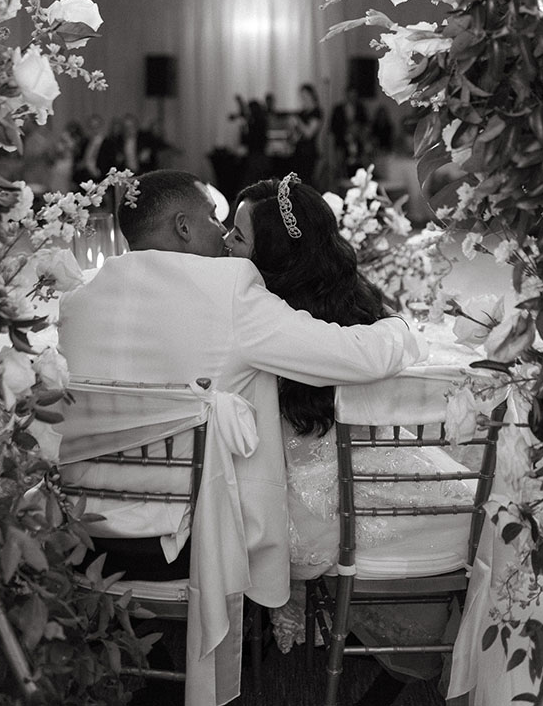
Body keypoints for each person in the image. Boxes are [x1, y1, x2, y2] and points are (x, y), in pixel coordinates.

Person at [57, 169, 422, 594]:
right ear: (183, 226)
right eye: (214, 218)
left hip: (81, 535)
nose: (223, 234)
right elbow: (357, 355)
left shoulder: (77, 304)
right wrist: (401, 330)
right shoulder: (227, 289)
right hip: (191, 545)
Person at [224, 173, 474, 684]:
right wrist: (401, 328)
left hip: (310, 481)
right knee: (462, 507)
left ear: (273, 257)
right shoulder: (338, 305)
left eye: (238, 235)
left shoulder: (270, 313)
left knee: (440, 505)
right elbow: (375, 351)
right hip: (307, 484)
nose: (226, 242)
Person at [329, 86, 369, 179]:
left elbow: (365, 124)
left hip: (357, 141)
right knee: (340, 166)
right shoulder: (338, 109)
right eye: (351, 94)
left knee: (359, 164)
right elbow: (333, 126)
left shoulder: (360, 108)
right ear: (346, 94)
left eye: (354, 95)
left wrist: (358, 132)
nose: (352, 97)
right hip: (341, 142)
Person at [288, 83, 322, 186]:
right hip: (298, 151)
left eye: (305, 96)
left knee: (307, 181)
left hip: (309, 152)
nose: (303, 99)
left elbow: (309, 133)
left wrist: (298, 122)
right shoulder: (302, 113)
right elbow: (296, 136)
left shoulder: (317, 112)